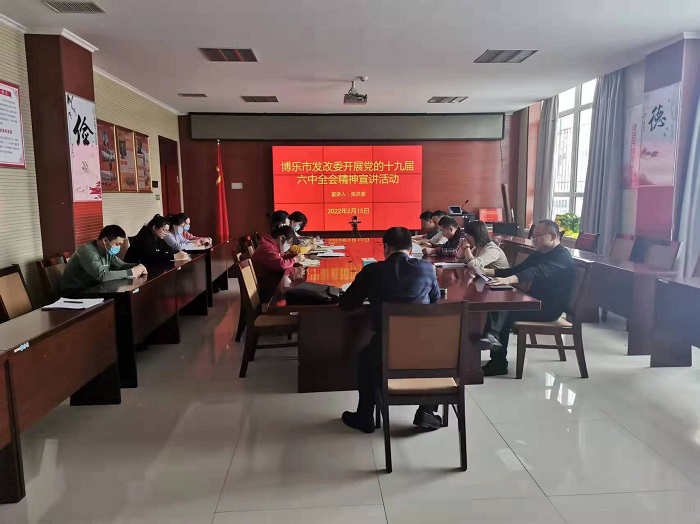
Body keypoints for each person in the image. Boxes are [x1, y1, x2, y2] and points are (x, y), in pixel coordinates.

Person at [339, 227, 442, 434]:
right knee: (436, 353)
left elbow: (347, 303)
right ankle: (427, 411)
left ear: (385, 248)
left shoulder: (372, 271)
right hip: (423, 350)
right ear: (411, 248)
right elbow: (435, 300)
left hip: (386, 350)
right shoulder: (427, 269)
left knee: (366, 355)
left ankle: (365, 415)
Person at [479, 219, 575, 376]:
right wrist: (487, 272)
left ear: (553, 236)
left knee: (503, 311)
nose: (534, 239)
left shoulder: (561, 256)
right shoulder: (540, 253)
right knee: (498, 306)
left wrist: (508, 280)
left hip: (547, 308)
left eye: (538, 235)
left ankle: (497, 362)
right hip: (533, 302)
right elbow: (517, 270)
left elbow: (535, 272)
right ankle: (490, 337)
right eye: (533, 235)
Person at [58, 225, 147, 297]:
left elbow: (121, 266)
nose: (118, 247)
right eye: (117, 244)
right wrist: (131, 272)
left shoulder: (107, 252)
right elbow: (102, 276)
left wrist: (138, 266)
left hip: (93, 290)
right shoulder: (87, 252)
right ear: (105, 241)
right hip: (74, 294)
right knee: (119, 299)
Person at [252, 224, 304, 302]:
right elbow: (281, 265)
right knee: (293, 294)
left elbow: (282, 256)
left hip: (270, 281)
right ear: (281, 238)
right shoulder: (267, 248)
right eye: (289, 243)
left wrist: (294, 256)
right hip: (265, 288)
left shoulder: (273, 245)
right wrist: (295, 260)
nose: (289, 246)